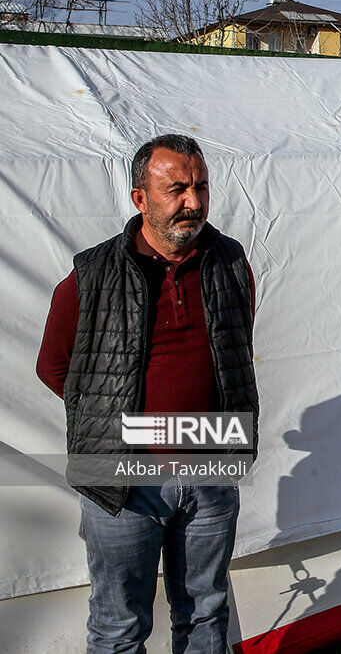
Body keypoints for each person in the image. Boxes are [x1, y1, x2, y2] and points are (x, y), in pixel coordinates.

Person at [35, 134, 257, 654]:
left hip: (210, 471)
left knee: (206, 616)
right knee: (119, 628)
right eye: (177, 189)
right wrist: (119, 425)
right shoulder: (91, 275)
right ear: (140, 198)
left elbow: (235, 348)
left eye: (200, 187)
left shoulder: (230, 263)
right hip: (120, 480)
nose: (194, 202)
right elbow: (54, 366)